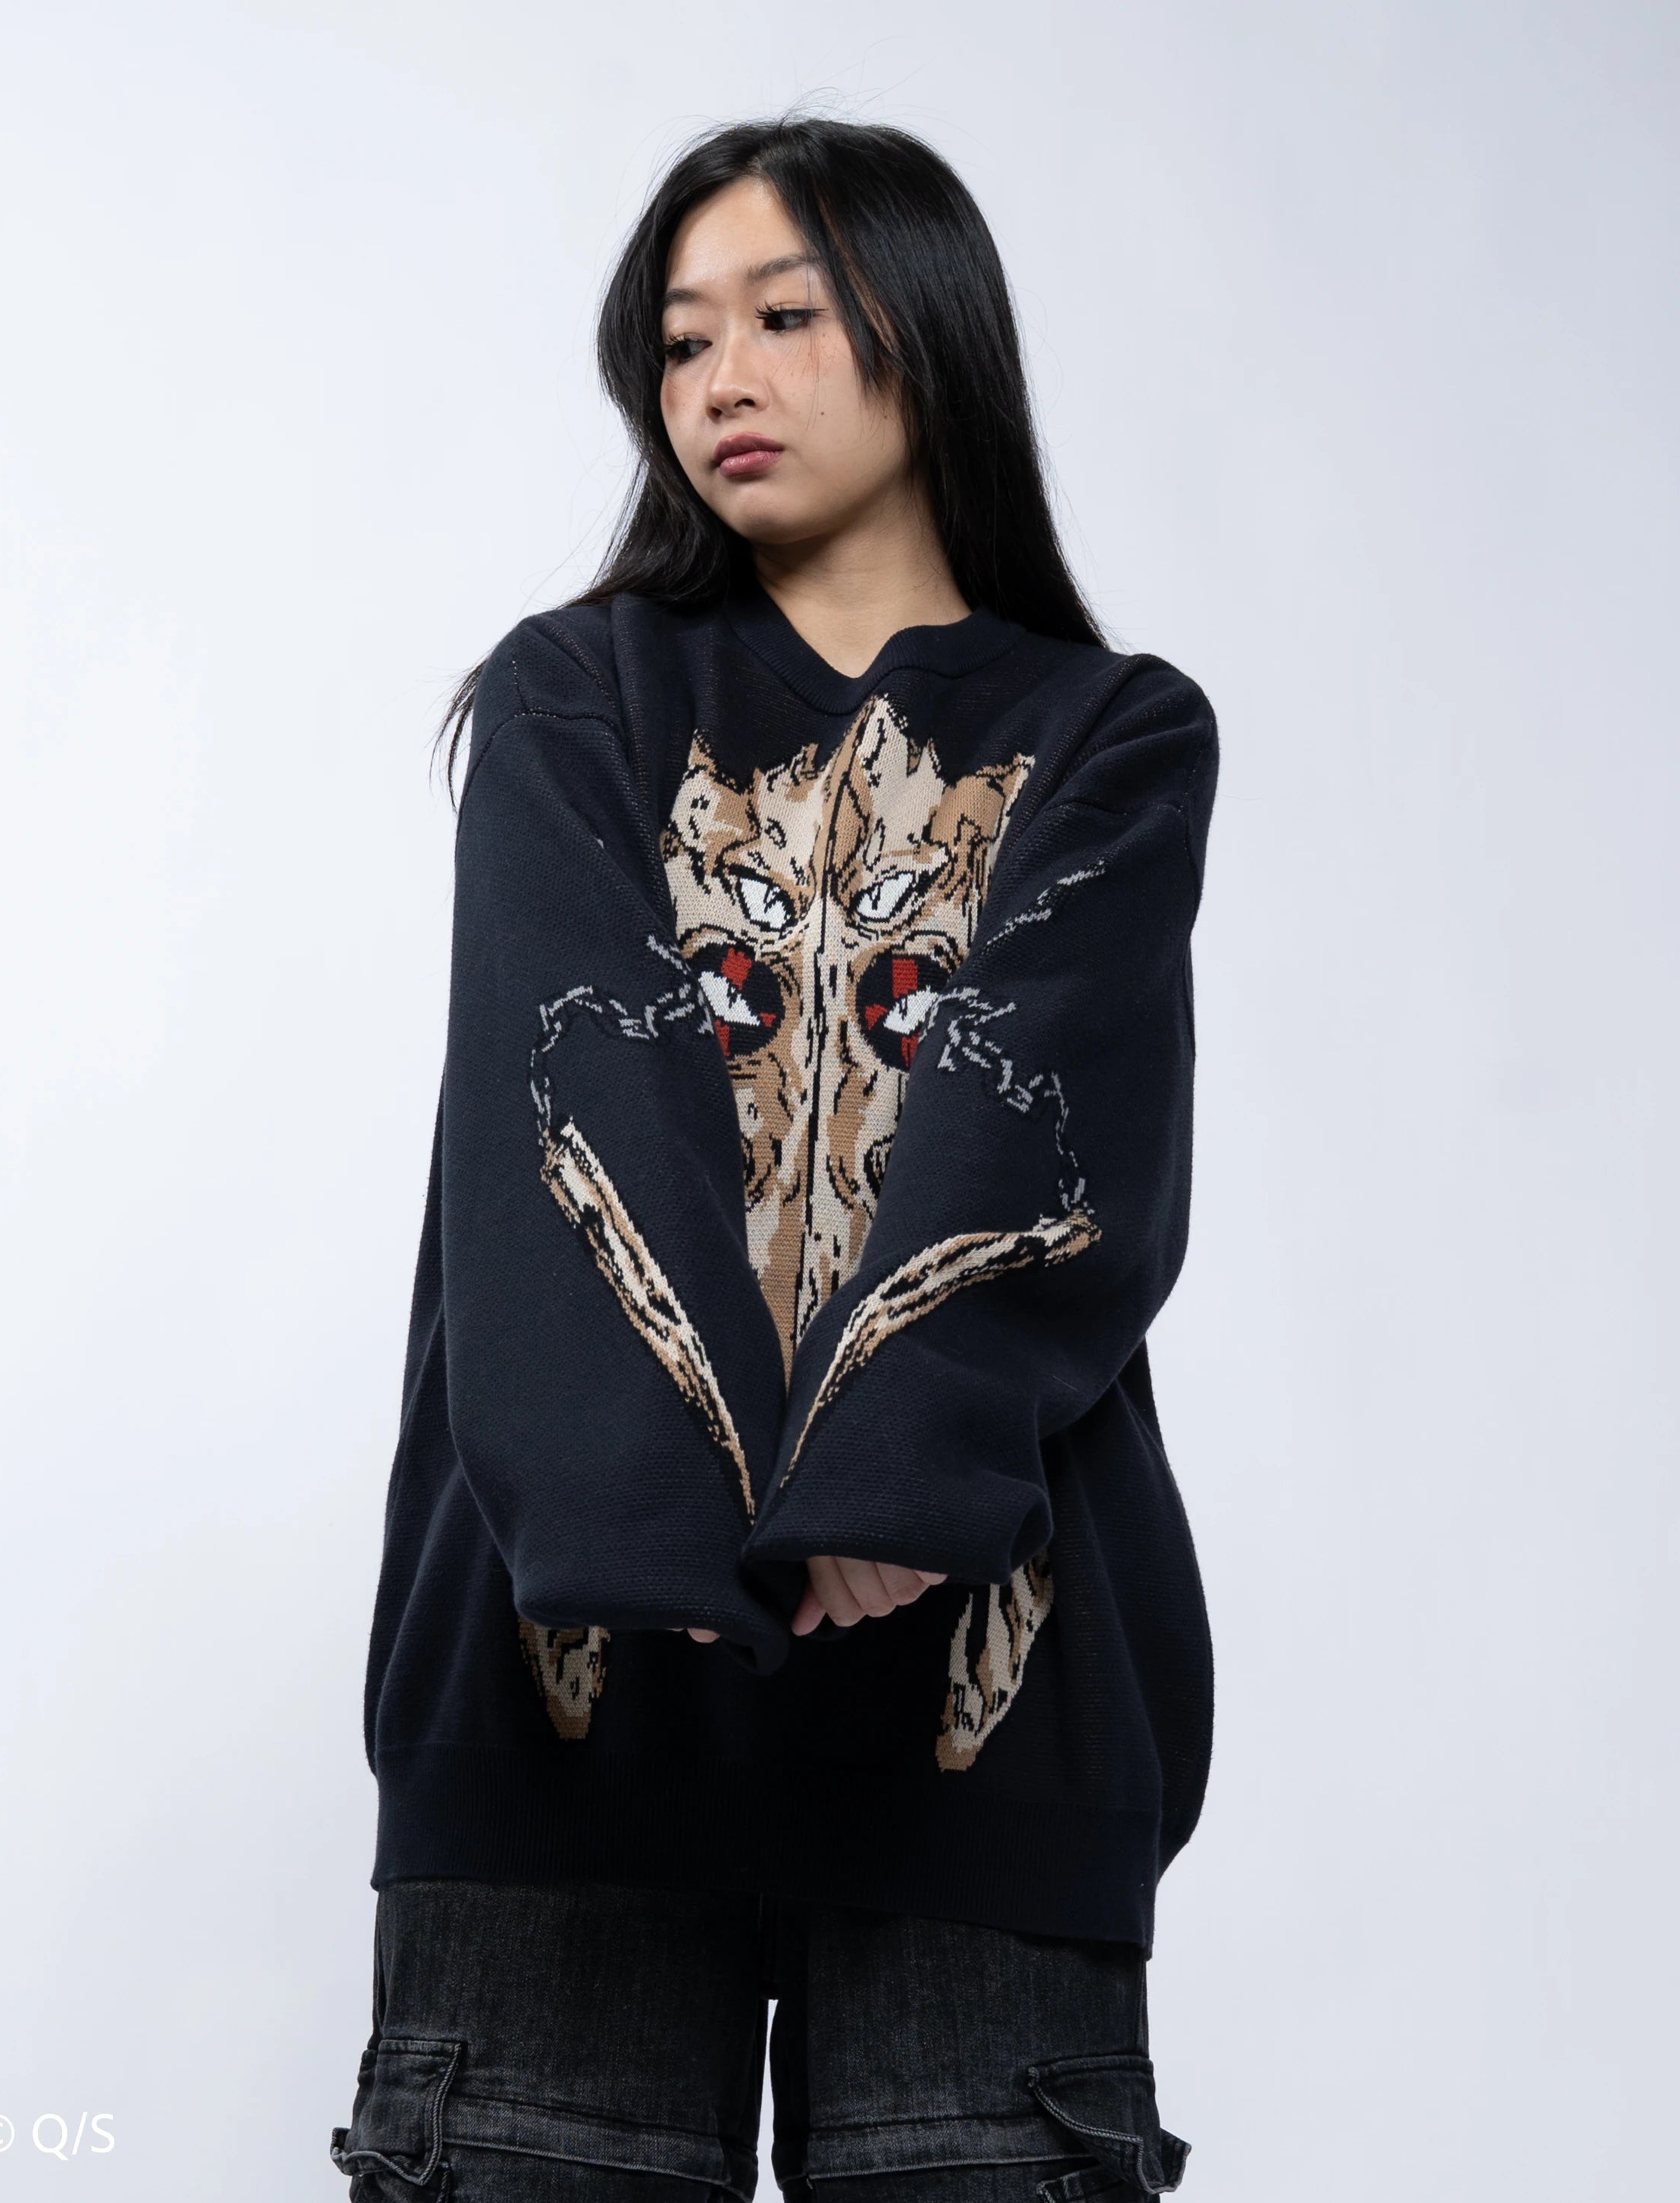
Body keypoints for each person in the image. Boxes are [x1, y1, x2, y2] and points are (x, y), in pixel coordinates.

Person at [332, 114, 1217, 2203]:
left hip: (987, 1700)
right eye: (680, 341)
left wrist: (897, 1481)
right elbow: (567, 1097)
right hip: (562, 1682)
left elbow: (1053, 1108)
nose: (720, 378)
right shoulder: (573, 695)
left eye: (786, 318)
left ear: (930, 333)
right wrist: (652, 1528)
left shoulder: (1112, 734)